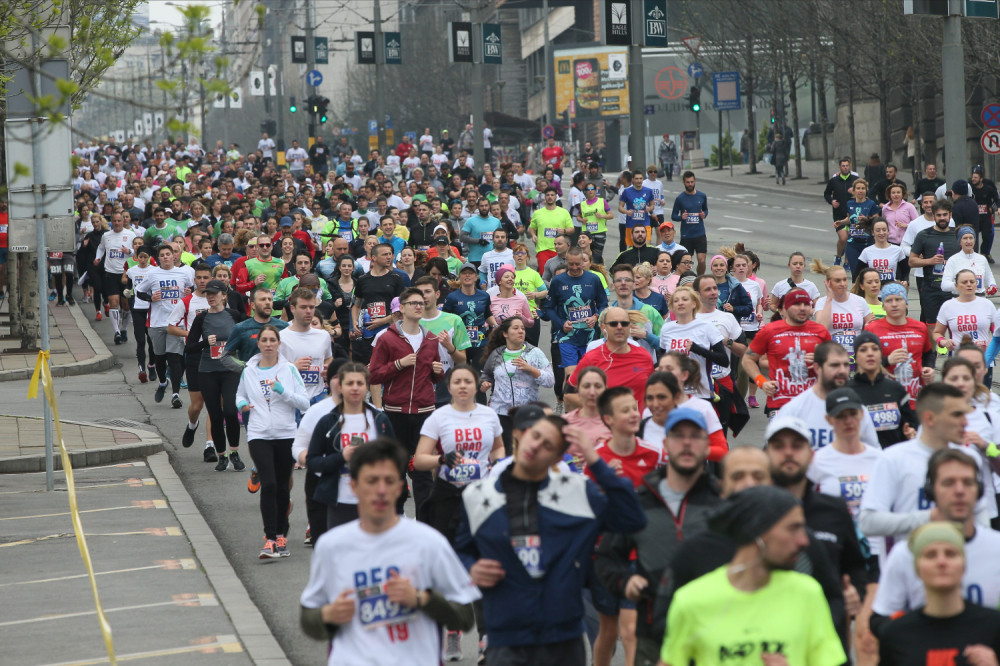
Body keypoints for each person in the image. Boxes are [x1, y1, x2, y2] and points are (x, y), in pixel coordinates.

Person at [454, 416, 647, 666]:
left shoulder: (578, 492)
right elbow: (459, 551)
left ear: (557, 459)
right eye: (535, 436)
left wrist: (596, 462)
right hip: (505, 637)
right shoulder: (478, 495)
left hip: (563, 639)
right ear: (522, 436)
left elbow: (633, 519)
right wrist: (472, 567)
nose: (535, 446)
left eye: (547, 445)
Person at [300, 438, 480, 664]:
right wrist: (328, 615)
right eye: (372, 481)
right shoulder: (331, 546)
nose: (381, 490)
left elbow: (464, 618)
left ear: (400, 487)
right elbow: (308, 618)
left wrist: (421, 599)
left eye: (389, 481)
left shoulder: (429, 543)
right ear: (354, 486)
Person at [657, 485, 847, 666]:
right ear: (758, 530)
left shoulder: (808, 594)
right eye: (793, 528)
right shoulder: (691, 601)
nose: (804, 540)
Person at [595, 407, 720, 666]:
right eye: (678, 435)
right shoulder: (640, 500)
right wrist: (624, 581)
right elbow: (607, 557)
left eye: (695, 436)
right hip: (653, 635)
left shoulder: (723, 504)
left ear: (707, 446)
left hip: (713, 633)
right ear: (665, 444)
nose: (686, 443)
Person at [413, 364, 504, 660]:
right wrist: (442, 458)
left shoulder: (489, 415)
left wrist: (495, 467)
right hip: (448, 498)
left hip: (482, 497)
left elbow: (499, 449)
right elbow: (419, 460)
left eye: (468, 381)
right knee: (449, 566)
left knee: (483, 563)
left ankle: (485, 636)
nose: (463, 386)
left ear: (477, 385)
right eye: (457, 382)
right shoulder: (439, 417)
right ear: (449, 387)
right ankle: (452, 631)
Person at [764, 413, 874, 655]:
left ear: (811, 455)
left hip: (826, 642)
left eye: (797, 445)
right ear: (767, 455)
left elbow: (856, 566)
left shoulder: (834, 508)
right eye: (779, 446)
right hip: (768, 642)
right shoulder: (754, 511)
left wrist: (856, 592)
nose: (789, 452)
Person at [871, 449, 1000, 632]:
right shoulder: (906, 553)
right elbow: (880, 621)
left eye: (967, 482)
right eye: (948, 483)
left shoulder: (996, 548)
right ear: (931, 491)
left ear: (978, 490)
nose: (959, 491)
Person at [859, 383, 997, 547]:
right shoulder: (892, 459)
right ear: (930, 418)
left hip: (961, 568)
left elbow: (981, 524)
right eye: (956, 415)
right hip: (909, 567)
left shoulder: (970, 459)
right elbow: (868, 522)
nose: (965, 422)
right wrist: (930, 517)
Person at [876, 522, 1000, 664]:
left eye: (950, 554)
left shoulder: (993, 627)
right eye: (930, 555)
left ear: (964, 565)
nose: (941, 562)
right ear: (917, 568)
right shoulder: (896, 634)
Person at [234, 323, 309, 557]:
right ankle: (269, 539)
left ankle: (280, 535)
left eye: (272, 340)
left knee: (281, 488)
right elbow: (240, 394)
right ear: (258, 344)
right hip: (258, 434)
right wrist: (240, 405)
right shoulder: (250, 371)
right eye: (264, 340)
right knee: (269, 484)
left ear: (279, 344)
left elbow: (304, 403)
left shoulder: (289, 370)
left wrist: (282, 391)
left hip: (286, 434)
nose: (268, 344)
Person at [368, 287, 445, 513]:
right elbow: (374, 375)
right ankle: (397, 521)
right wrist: (399, 364)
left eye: (421, 302)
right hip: (395, 412)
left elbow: (435, 376)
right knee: (396, 472)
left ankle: (423, 526)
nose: (418, 306)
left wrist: (438, 372)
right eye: (413, 303)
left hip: (425, 412)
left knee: (422, 474)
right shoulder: (387, 339)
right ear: (401, 308)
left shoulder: (431, 339)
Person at [186, 279, 248, 471]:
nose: (210, 297)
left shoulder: (234, 315)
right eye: (208, 294)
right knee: (215, 414)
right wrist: (206, 343)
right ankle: (221, 456)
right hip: (208, 371)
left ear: (223, 296)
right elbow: (189, 347)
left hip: (230, 371)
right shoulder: (201, 318)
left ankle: (235, 453)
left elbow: (248, 335)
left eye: (214, 294)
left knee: (230, 411)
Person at [743, 288, 832, 416]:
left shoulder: (820, 331)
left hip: (814, 405)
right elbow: (748, 359)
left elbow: (836, 364)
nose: (803, 308)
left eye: (806, 304)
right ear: (786, 307)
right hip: (780, 405)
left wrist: (822, 361)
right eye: (797, 304)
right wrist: (762, 382)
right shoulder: (769, 331)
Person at [480, 317, 554, 452]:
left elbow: (550, 381)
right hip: (501, 414)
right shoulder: (497, 354)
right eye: (516, 328)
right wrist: (485, 383)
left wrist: (531, 369)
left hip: (527, 413)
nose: (521, 331)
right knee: (505, 454)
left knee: (527, 452)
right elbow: (486, 375)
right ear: (505, 334)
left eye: (523, 328)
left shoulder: (534, 353)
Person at [134, 244, 194, 409]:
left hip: (176, 322)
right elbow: (138, 290)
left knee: (174, 357)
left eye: (169, 254)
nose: (166, 257)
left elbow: (193, 289)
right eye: (163, 255)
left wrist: (190, 291)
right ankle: (162, 382)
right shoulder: (153, 273)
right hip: (157, 322)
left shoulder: (184, 273)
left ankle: (175, 394)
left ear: (174, 256)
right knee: (160, 357)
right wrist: (150, 298)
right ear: (158, 258)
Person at [849, 330, 919, 449]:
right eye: (863, 350)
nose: (870, 353)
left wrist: (910, 432)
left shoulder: (895, 389)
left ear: (881, 355)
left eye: (875, 349)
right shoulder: (847, 392)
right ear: (855, 357)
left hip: (892, 459)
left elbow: (911, 425)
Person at [546, 248, 608, 377]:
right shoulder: (558, 281)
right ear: (566, 262)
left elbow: (603, 304)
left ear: (583, 262)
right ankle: (567, 397)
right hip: (567, 337)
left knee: (588, 375)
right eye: (571, 264)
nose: (574, 267)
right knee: (571, 375)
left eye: (577, 264)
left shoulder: (594, 279)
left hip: (590, 337)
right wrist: (561, 323)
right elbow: (549, 308)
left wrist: (596, 317)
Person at [867, 283, 935, 401]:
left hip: (915, 399)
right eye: (889, 300)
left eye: (898, 299)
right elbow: (863, 365)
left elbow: (928, 353)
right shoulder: (872, 329)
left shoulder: (920, 327)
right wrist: (887, 360)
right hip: (885, 398)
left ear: (907, 304)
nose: (894, 304)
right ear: (883, 306)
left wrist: (929, 368)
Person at [659, 285, 728, 400]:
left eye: (685, 299)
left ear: (694, 304)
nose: (680, 303)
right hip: (674, 393)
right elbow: (661, 359)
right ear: (672, 306)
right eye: (676, 301)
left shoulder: (706, 327)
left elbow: (724, 360)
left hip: (701, 393)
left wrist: (698, 349)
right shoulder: (666, 328)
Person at [909, 199, 961, 340]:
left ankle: (951, 349)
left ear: (950, 215)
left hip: (953, 288)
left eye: (945, 214)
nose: (942, 218)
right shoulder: (924, 235)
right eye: (939, 215)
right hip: (931, 287)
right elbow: (911, 261)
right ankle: (935, 352)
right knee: (931, 323)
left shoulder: (958, 234)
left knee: (954, 323)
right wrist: (929, 261)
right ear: (934, 215)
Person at [812, 260, 874, 367]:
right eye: (838, 280)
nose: (843, 284)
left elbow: (871, 328)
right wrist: (829, 299)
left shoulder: (859, 301)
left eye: (845, 279)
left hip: (856, 357)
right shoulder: (822, 303)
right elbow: (821, 329)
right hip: (831, 357)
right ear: (828, 282)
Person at [94, 211, 136, 344]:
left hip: (125, 274)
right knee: (114, 302)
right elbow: (101, 248)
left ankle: (123, 329)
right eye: (115, 221)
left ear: (123, 221)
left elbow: (138, 251)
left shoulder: (130, 235)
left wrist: (129, 252)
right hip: (110, 273)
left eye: (119, 220)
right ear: (112, 222)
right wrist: (98, 257)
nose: (117, 223)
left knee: (126, 305)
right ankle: (116, 331)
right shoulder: (106, 235)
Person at [225, 286, 289, 362]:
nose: (268, 302)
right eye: (263, 299)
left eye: (270, 299)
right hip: (252, 373)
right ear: (253, 305)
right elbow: (226, 356)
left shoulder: (284, 327)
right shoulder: (241, 328)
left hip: (278, 373)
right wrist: (245, 367)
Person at [669, 172, 709, 274]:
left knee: (702, 260)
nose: (690, 184)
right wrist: (681, 217)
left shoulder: (702, 196)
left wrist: (704, 214)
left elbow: (705, 210)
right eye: (688, 182)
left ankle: (699, 279)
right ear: (684, 183)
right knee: (687, 262)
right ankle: (687, 279)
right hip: (686, 235)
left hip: (700, 233)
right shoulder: (680, 198)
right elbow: (673, 216)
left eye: (691, 182)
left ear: (694, 181)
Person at [529, 187, 574, 274]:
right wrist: (533, 235)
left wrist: (564, 231)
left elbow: (571, 229)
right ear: (544, 197)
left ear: (556, 197)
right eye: (548, 195)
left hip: (560, 250)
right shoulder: (537, 213)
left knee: (559, 276)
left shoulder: (564, 212)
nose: (550, 197)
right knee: (544, 276)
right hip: (542, 249)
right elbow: (532, 228)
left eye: (552, 195)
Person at [941, 226, 997, 296]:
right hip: (960, 299)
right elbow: (944, 285)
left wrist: (992, 286)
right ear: (960, 241)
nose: (968, 241)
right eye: (965, 238)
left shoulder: (982, 259)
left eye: (971, 238)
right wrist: (961, 285)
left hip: (979, 299)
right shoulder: (953, 260)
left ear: (974, 240)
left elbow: (990, 278)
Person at [825, 157, 860, 265]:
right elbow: (826, 193)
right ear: (839, 167)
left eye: (847, 166)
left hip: (853, 214)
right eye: (843, 166)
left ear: (850, 166)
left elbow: (864, 192)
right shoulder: (834, 180)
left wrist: (854, 191)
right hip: (839, 214)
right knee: (843, 238)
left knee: (851, 238)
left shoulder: (855, 180)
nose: (845, 168)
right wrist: (832, 201)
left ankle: (847, 262)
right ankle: (839, 256)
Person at [857, 218, 910, 284]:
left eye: (884, 230)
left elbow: (905, 271)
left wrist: (904, 281)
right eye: (878, 230)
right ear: (873, 233)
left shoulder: (898, 250)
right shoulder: (866, 251)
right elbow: (858, 274)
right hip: (873, 291)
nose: (881, 233)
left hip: (891, 290)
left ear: (888, 231)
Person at [579, 182, 612, 263]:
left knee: (597, 255)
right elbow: (578, 216)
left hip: (599, 232)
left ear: (595, 190)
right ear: (585, 191)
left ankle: (598, 269)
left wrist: (602, 216)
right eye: (588, 189)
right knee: (586, 253)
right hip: (586, 233)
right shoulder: (582, 204)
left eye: (592, 189)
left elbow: (611, 215)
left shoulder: (602, 201)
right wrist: (581, 220)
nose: (590, 191)